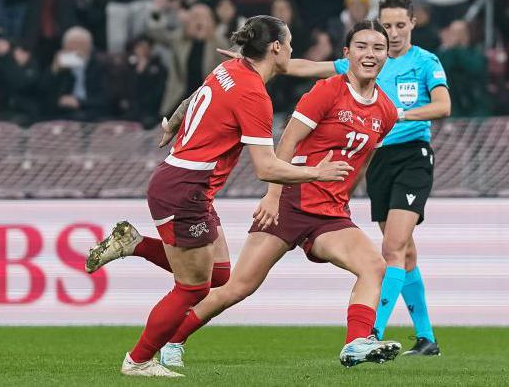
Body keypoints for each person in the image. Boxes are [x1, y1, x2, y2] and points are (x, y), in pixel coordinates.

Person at [98, 15, 352, 378]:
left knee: (219, 275)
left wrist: (173, 121)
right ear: (276, 47)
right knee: (192, 288)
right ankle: (137, 361)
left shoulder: (228, 68)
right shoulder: (253, 95)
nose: (292, 49)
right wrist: (316, 172)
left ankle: (134, 244)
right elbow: (266, 168)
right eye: (290, 42)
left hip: (185, 186)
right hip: (185, 189)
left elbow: (193, 97)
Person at [155, 20, 403, 369]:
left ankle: (356, 343)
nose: (370, 54)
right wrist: (272, 197)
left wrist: (345, 198)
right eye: (362, 46)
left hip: (330, 214)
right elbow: (286, 142)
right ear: (347, 54)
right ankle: (173, 339)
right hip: (290, 202)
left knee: (374, 266)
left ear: (387, 56)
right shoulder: (327, 91)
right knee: (238, 287)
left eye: (378, 48)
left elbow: (361, 162)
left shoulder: (387, 112)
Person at [220, 0, 451, 356]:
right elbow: (305, 67)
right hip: (371, 158)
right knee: (403, 252)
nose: (392, 32)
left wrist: (401, 115)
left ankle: (370, 331)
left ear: (412, 24)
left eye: (399, 25)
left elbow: (443, 105)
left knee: (391, 247)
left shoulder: (424, 62)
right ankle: (425, 338)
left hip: (411, 155)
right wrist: (252, 60)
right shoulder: (361, 59)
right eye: (387, 24)